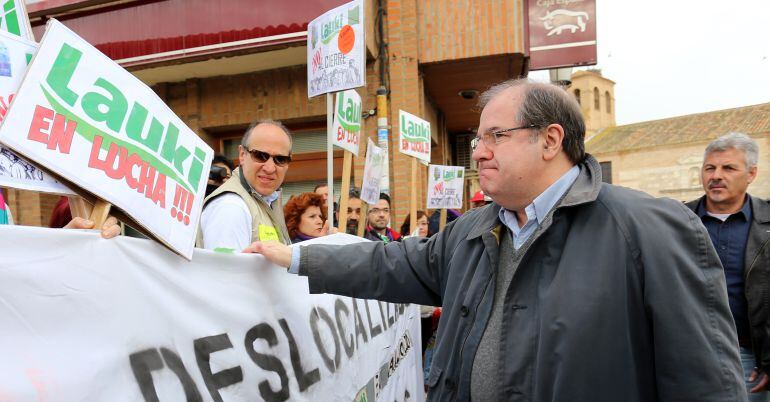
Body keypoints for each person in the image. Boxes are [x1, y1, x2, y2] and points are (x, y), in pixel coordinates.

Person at [246, 78, 744, 400]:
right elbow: (390, 264)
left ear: (551, 140)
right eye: (478, 139)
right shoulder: (473, 230)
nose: (479, 153)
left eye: (495, 137)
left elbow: (707, 383)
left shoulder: (650, 230)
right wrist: (297, 258)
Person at [686, 132, 770, 400]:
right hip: (686, 356)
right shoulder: (674, 221)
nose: (716, 175)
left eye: (728, 168)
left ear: (751, 174)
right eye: (710, 167)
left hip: (750, 361)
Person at [198, 120, 293, 251]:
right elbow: (226, 270)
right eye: (260, 156)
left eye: (280, 159)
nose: (270, 168)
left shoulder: (267, 200)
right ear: (242, 155)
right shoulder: (231, 207)